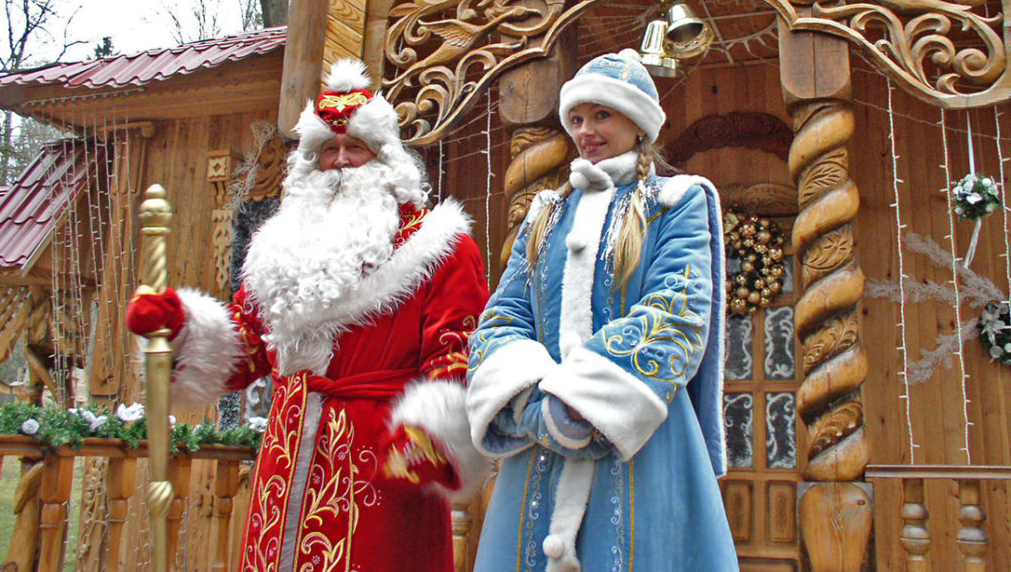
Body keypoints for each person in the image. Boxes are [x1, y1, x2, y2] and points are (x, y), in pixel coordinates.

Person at [126, 59, 490, 572]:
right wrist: (180, 328)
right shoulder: (279, 248)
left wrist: (430, 439)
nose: (340, 162)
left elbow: (459, 350)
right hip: (286, 450)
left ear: (384, 158)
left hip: (379, 461)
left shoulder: (438, 246)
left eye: (354, 148)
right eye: (327, 150)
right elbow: (246, 347)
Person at [466, 49, 738, 571]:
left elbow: (677, 311)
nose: (585, 130)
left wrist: (583, 404)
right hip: (539, 437)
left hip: (642, 440)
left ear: (638, 124)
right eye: (576, 118)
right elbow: (503, 316)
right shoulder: (544, 214)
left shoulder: (675, 202)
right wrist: (534, 407)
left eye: (602, 115)